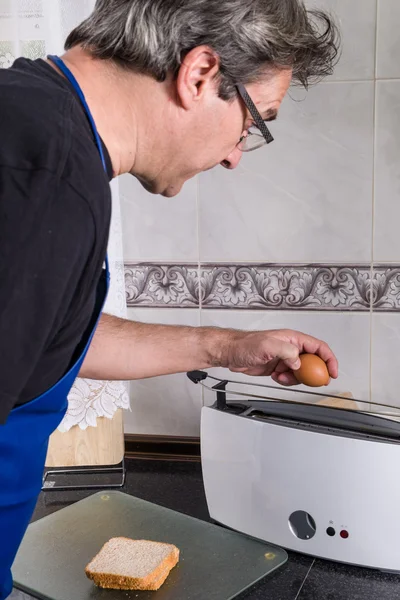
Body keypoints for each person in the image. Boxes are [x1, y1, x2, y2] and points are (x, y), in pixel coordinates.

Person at [0, 0, 341, 597]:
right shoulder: (48, 176)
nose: (236, 155)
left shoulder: (33, 122)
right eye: (254, 122)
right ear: (201, 74)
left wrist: (227, 347)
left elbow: (49, 334)